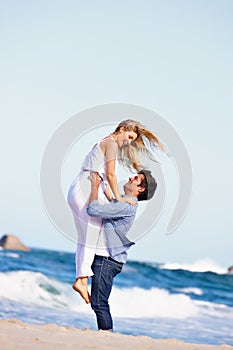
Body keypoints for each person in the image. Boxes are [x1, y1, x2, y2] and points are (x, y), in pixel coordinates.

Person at [67, 119, 163, 304]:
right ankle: (81, 279)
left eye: (132, 140)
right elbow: (110, 175)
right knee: (92, 235)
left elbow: (105, 182)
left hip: (82, 186)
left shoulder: (108, 143)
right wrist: (119, 198)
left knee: (87, 237)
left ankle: (81, 279)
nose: (128, 142)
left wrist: (114, 200)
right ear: (122, 129)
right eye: (129, 137)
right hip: (86, 187)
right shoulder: (111, 143)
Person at [87, 169, 157, 331]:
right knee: (99, 301)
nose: (130, 178)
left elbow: (93, 210)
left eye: (135, 179)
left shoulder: (126, 206)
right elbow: (112, 202)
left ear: (140, 189)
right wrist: (103, 183)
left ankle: (107, 336)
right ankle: (106, 334)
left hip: (107, 260)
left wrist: (93, 186)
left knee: (99, 302)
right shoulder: (124, 203)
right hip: (109, 260)